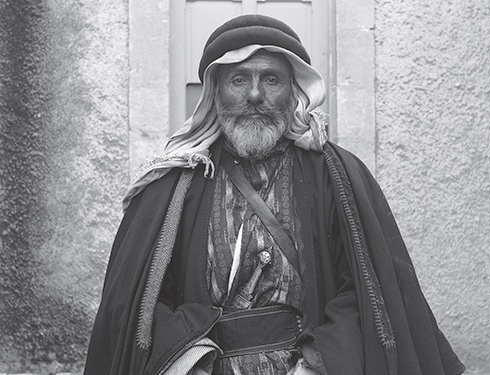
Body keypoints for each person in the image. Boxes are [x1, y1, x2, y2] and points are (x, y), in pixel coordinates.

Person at [84, 14, 465, 375]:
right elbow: (135, 305)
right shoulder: (172, 185)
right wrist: (189, 362)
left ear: (292, 91)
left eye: (270, 79)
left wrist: (317, 363)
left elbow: (366, 291)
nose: (254, 94)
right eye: (238, 79)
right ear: (215, 91)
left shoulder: (336, 177)